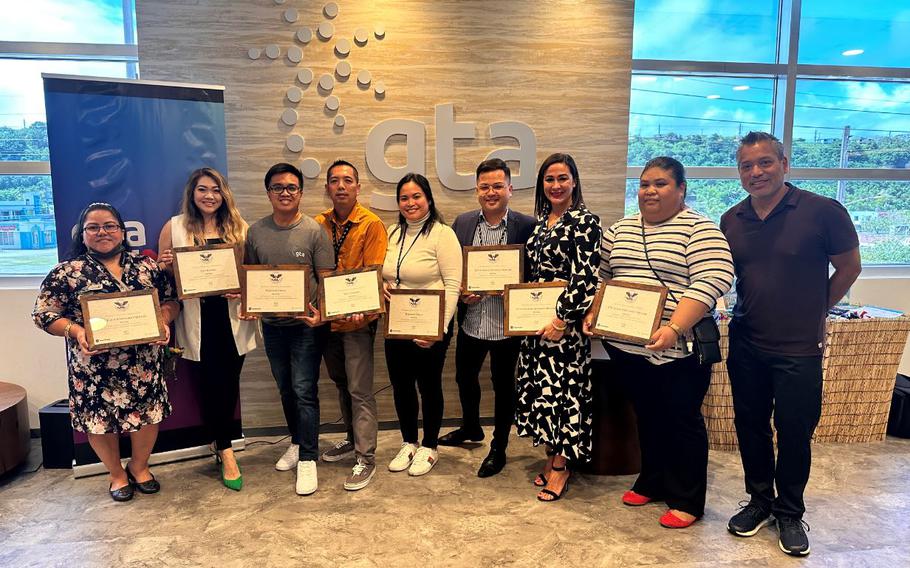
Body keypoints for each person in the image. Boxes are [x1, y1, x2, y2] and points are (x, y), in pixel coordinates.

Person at [721, 132, 861, 556]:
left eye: (765, 163)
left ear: (785, 163)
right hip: (746, 341)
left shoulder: (823, 211)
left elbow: (850, 267)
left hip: (799, 347)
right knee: (751, 426)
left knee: (795, 431)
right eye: (747, 166)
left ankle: (790, 512)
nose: (756, 172)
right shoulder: (732, 219)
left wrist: (816, 308)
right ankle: (760, 501)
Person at [584, 157, 734, 528]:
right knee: (647, 416)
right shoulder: (619, 230)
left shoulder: (700, 230)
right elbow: (602, 278)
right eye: (644, 183)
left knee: (682, 421)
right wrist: (593, 314)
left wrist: (675, 327)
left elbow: (713, 279)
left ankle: (687, 498)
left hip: (679, 348)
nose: (650, 191)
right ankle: (651, 480)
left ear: (681, 189)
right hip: (628, 347)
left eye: (661, 184)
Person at [32, 202, 180, 502]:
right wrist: (76, 331)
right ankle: (116, 474)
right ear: (82, 234)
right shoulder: (67, 272)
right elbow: (44, 314)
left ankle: (139, 468)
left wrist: (163, 320)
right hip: (93, 367)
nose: (103, 232)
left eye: (110, 226)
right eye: (93, 227)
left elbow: (172, 300)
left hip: (143, 364)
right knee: (99, 422)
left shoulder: (146, 266)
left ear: (122, 231)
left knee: (148, 416)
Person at [157, 167, 259, 491]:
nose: (210, 196)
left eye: (216, 189)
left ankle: (221, 442)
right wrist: (165, 265)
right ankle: (227, 451)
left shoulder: (239, 228)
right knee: (209, 385)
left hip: (231, 318)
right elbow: (164, 279)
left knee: (228, 384)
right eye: (203, 189)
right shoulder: (173, 227)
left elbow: (251, 273)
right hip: (197, 317)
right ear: (192, 193)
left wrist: (242, 290)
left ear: (224, 194)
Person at [438, 158, 536, 478]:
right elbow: (454, 271)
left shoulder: (527, 225)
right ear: (476, 190)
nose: (490, 192)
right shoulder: (463, 223)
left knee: (503, 386)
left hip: (507, 326)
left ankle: (499, 446)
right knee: (464, 379)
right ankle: (471, 427)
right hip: (472, 320)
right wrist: (463, 289)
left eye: (497, 186)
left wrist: (517, 292)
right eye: (484, 187)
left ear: (510, 189)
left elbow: (535, 275)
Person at [515, 153, 601, 502]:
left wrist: (562, 320)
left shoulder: (585, 222)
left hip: (564, 329)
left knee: (565, 395)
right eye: (549, 179)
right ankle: (552, 456)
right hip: (536, 328)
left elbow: (586, 278)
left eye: (562, 178)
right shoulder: (540, 224)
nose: (556, 185)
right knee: (543, 396)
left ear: (574, 181)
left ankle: (563, 467)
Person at [244, 162, 335, 496]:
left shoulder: (314, 231)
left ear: (300, 192)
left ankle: (309, 458)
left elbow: (326, 280)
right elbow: (251, 278)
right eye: (278, 187)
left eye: (291, 187)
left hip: (306, 328)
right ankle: (297, 443)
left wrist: (322, 315)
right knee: (285, 388)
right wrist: (248, 305)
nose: (285, 193)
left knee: (304, 389)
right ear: (268, 192)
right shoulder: (255, 232)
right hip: (272, 326)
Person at [313, 160, 388, 491]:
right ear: (327, 188)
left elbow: (373, 271)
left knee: (359, 388)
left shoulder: (371, 224)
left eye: (347, 180)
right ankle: (350, 438)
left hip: (358, 321)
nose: (340, 186)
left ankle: (366, 457)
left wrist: (361, 308)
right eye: (334, 181)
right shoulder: (317, 223)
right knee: (340, 382)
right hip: (327, 321)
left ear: (358, 187)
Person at [381, 173, 463, 477]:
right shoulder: (391, 233)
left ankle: (429, 446)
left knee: (428, 385)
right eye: (404, 198)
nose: (410, 203)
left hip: (431, 324)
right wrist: (382, 285)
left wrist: (439, 330)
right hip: (398, 322)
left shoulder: (443, 234)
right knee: (401, 385)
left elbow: (454, 284)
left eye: (416, 196)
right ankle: (408, 442)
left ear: (428, 198)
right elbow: (385, 271)